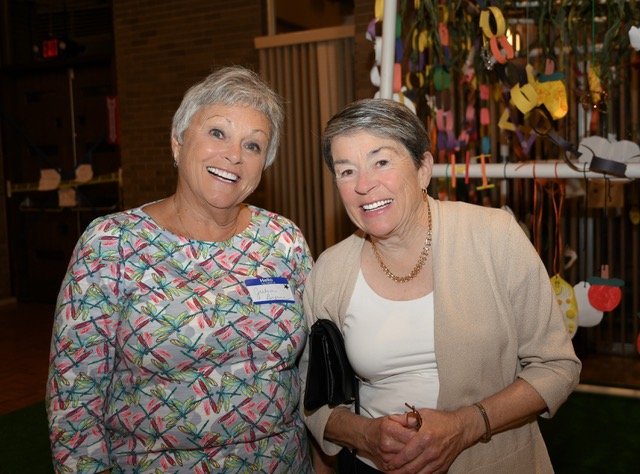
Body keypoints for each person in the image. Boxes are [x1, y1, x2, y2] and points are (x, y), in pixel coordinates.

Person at [46, 65, 315, 473]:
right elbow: (74, 398)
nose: (234, 155)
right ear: (177, 142)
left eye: (253, 145)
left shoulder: (283, 240)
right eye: (217, 132)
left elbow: (312, 371)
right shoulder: (111, 244)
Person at [300, 98, 581, 473]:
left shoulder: (494, 237)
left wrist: (467, 425)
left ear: (423, 169)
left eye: (381, 162)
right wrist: (365, 435)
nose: (364, 185)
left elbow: (556, 367)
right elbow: (314, 400)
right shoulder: (330, 271)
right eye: (346, 171)